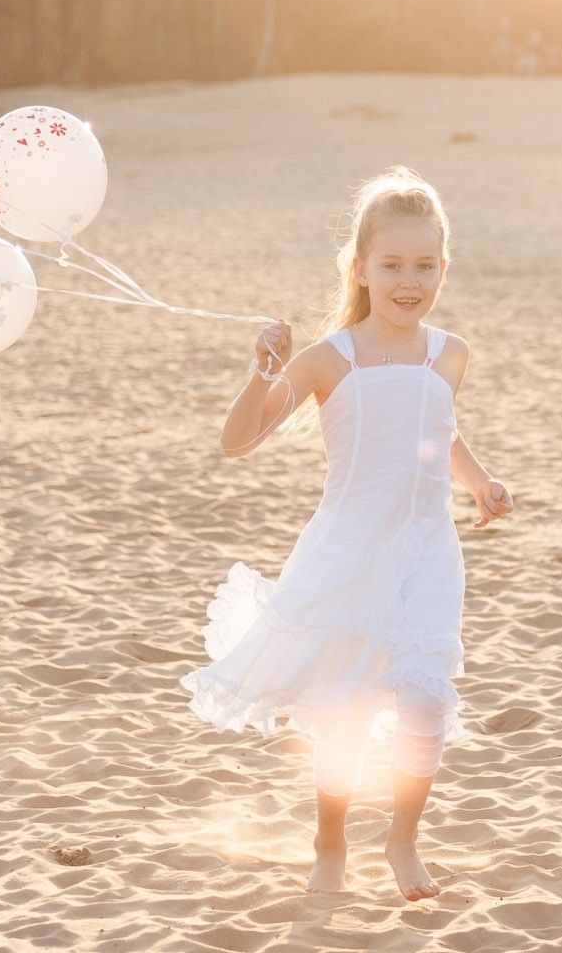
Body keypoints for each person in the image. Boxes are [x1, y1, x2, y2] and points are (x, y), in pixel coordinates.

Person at [180, 166, 515, 901]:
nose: (409, 280)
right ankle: (329, 845)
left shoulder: (449, 353)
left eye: (424, 265)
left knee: (425, 697)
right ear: (360, 268)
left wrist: (482, 484)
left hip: (427, 551)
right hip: (349, 552)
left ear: (443, 268)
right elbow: (238, 442)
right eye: (392, 264)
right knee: (345, 711)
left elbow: (439, 435)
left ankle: (401, 843)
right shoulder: (330, 358)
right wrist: (257, 375)